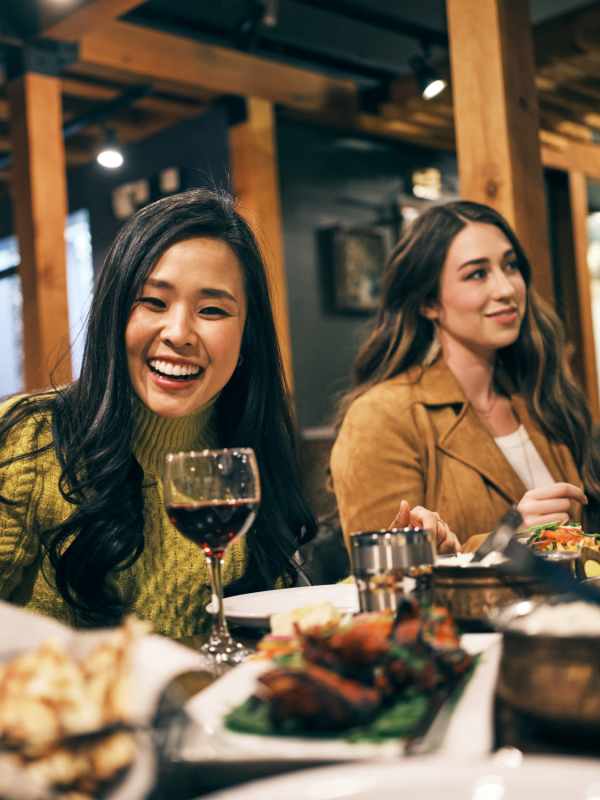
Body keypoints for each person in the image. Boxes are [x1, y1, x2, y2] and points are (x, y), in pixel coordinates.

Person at [0, 188, 321, 637]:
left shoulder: (247, 454)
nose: (179, 333)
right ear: (115, 313)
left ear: (247, 334)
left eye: (212, 310)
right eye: (153, 302)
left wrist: (398, 580)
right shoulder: (33, 439)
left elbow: (286, 630)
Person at [331, 200, 598, 550]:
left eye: (510, 266)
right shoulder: (381, 416)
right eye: (477, 274)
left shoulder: (540, 395)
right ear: (429, 303)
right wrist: (509, 540)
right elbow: (385, 571)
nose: (505, 289)